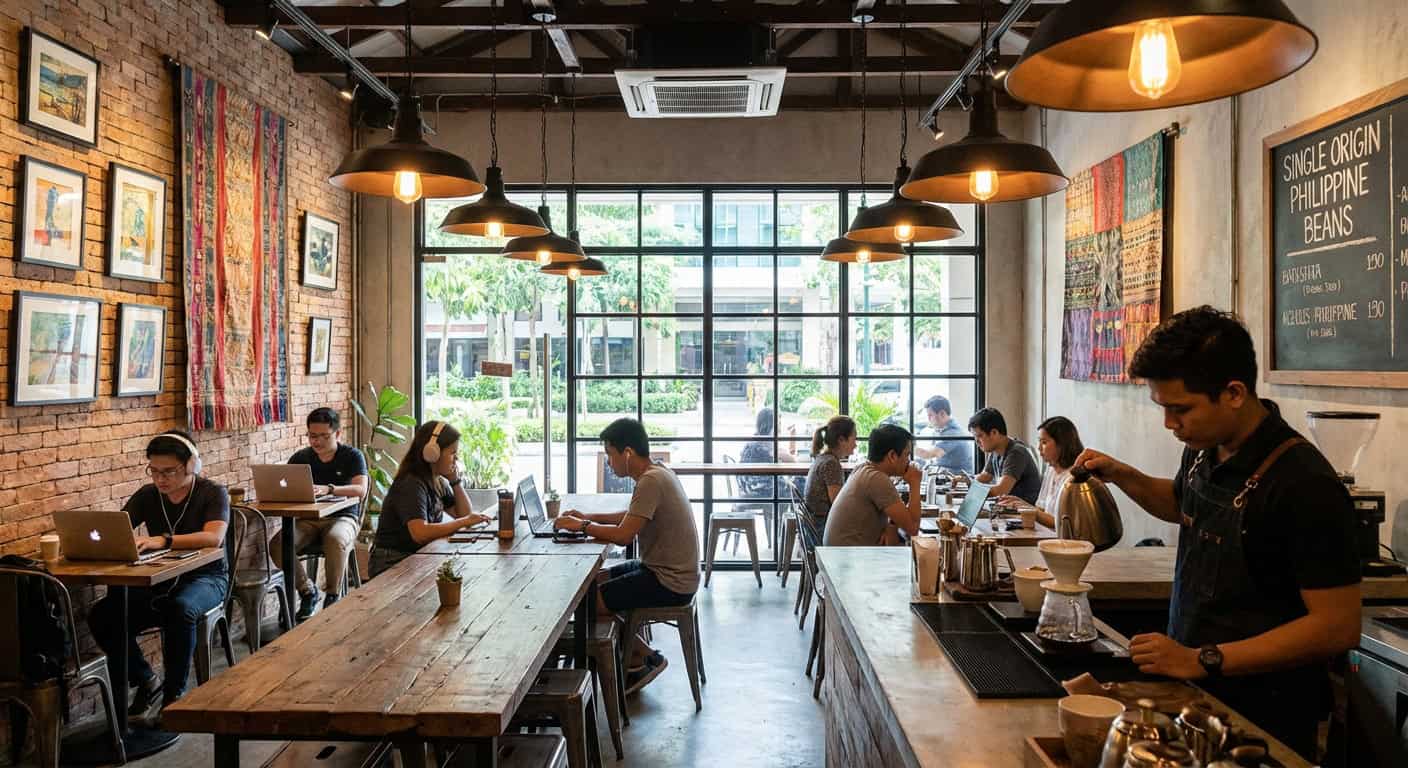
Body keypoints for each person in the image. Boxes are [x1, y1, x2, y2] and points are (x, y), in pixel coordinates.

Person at [1074, 306, 1360, 759]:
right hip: (1197, 696)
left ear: (1233, 392)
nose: (1170, 423)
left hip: (1264, 716)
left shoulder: (1304, 483)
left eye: (1180, 409)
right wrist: (1122, 474)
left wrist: (1203, 658)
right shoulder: (1208, 448)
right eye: (1163, 408)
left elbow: (1337, 626)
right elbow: (1184, 505)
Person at [552, 418, 700, 695]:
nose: (609, 462)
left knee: (588, 600)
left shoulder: (650, 481)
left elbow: (623, 536)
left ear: (627, 453)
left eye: (610, 454)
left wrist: (581, 527)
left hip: (670, 581)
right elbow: (632, 517)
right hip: (667, 571)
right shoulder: (657, 472)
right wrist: (588, 517)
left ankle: (644, 657)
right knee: (593, 580)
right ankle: (628, 655)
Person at [89, 431, 229, 715]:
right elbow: (120, 529)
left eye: (169, 471)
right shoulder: (147, 495)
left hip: (207, 578)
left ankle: (173, 696)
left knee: (181, 609)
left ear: (192, 466)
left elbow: (213, 538)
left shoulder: (213, 493)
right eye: (154, 471)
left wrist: (162, 540)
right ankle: (145, 678)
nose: (161, 479)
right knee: (104, 615)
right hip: (161, 580)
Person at [271, 407, 368, 620]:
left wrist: (330, 489)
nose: (317, 442)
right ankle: (307, 591)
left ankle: (332, 596)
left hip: (343, 517)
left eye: (324, 436)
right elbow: (285, 486)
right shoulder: (300, 458)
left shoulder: (352, 456)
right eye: (312, 436)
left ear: (337, 434)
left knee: (335, 539)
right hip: (309, 520)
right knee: (279, 544)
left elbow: (360, 490)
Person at [370, 421, 491, 577]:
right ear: (433, 453)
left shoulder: (437, 481)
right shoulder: (411, 483)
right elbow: (420, 533)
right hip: (392, 561)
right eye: (453, 453)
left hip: (416, 557)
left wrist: (455, 482)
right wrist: (463, 522)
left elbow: (464, 513)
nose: (457, 459)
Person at [823, 424, 922, 547]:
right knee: (921, 552)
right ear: (892, 456)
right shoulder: (877, 479)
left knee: (898, 543)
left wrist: (889, 525)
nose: (909, 461)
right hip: (847, 560)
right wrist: (915, 482)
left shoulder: (863, 468)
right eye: (907, 455)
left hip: (838, 555)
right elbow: (913, 530)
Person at [998, 416, 1084, 531]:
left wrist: (1025, 507)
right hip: (1046, 535)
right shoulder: (1051, 470)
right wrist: (1020, 505)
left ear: (1061, 444)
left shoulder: (1074, 477)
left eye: (1044, 442)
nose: (1039, 448)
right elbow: (1040, 508)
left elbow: (1063, 524)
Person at [969, 407, 1042, 504]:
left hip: (1023, 513)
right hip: (1008, 509)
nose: (977, 442)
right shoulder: (995, 450)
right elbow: (985, 476)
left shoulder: (1016, 453)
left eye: (979, 436)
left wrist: (972, 489)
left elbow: (1000, 491)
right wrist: (966, 481)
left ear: (994, 433)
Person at [803, 415, 857, 524]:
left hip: (814, 524)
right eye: (854, 439)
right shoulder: (831, 464)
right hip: (823, 528)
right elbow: (838, 505)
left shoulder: (823, 458)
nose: (855, 445)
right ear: (841, 440)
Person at [738, 406, 797, 500]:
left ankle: (774, 514)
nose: (780, 426)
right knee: (795, 486)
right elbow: (792, 460)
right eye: (778, 422)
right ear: (770, 424)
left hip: (747, 484)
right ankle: (779, 514)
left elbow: (788, 457)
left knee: (789, 485)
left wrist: (792, 436)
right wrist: (792, 436)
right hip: (755, 486)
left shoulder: (758, 439)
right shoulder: (764, 443)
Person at [913, 395, 974, 473]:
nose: (928, 419)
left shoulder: (953, 433)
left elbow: (928, 454)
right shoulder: (941, 430)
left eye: (930, 415)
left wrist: (910, 447)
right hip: (945, 474)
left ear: (942, 413)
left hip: (957, 478)